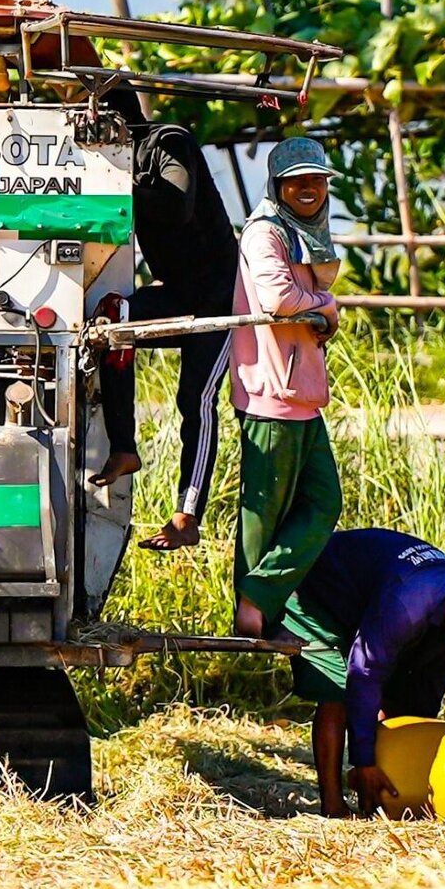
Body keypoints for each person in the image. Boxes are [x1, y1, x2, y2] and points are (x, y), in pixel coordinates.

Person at [279, 527, 445, 817]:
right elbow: (364, 674)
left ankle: (379, 797)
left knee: (403, 694)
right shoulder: (408, 603)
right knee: (337, 689)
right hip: (315, 589)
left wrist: (411, 749)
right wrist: (364, 762)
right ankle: (333, 806)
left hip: (370, 596)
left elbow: (429, 681)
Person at [89, 92, 240, 550]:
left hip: (219, 294)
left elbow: (175, 206)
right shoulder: (118, 163)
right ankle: (124, 447)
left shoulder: (169, 140)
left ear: (117, 120)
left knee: (194, 398)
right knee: (112, 320)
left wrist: (108, 186)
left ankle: (187, 514)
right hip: (177, 291)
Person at [229, 137, 344, 638]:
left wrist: (319, 307)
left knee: (323, 503)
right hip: (271, 392)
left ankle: (261, 598)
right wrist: (325, 307)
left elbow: (306, 299)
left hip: (302, 396)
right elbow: (278, 298)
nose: (309, 189)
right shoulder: (265, 233)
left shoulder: (304, 232)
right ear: (278, 186)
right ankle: (254, 615)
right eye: (298, 181)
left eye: (317, 180)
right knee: (264, 515)